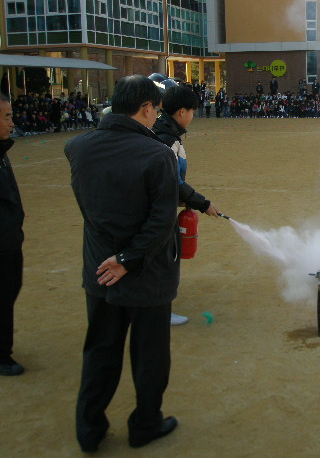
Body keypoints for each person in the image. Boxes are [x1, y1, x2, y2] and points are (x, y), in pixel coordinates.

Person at [64, 75, 180, 452]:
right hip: (147, 274)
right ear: (145, 108)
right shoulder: (157, 154)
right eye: (155, 110)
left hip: (100, 270)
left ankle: (89, 429)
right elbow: (161, 222)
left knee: (99, 352)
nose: (156, 117)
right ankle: (145, 424)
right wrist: (128, 258)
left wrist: (116, 258)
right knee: (150, 358)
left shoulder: (78, 147)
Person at [152, 85, 221, 326]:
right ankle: (161, 309)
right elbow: (171, 180)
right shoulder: (167, 139)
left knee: (164, 256)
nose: (192, 115)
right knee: (165, 257)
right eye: (192, 111)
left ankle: (159, 305)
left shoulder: (167, 134)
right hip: (159, 209)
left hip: (165, 203)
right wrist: (202, 203)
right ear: (182, 111)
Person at [0, 93, 25, 377]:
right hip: (2, 243)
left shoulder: (3, 151)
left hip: (9, 240)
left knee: (10, 290)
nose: (12, 122)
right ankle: (2, 355)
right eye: (6, 116)